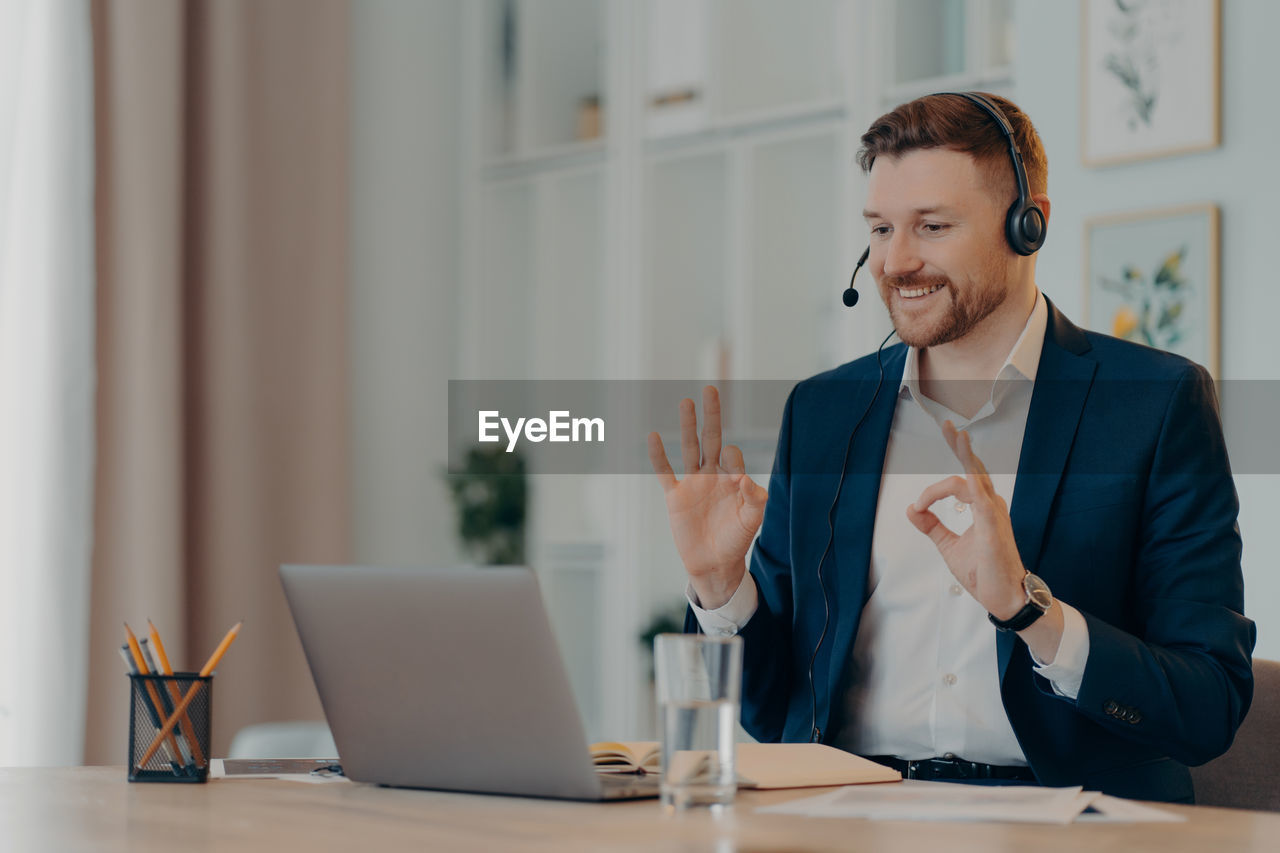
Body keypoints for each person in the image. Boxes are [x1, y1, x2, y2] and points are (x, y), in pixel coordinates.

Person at [646, 92, 1254, 804]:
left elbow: (1208, 704)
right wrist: (722, 589)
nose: (895, 262)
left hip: (1067, 816)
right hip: (847, 813)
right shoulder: (823, 411)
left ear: (1029, 226)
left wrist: (1030, 611)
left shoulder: (1152, 402)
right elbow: (772, 706)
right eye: (879, 229)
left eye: (931, 227)